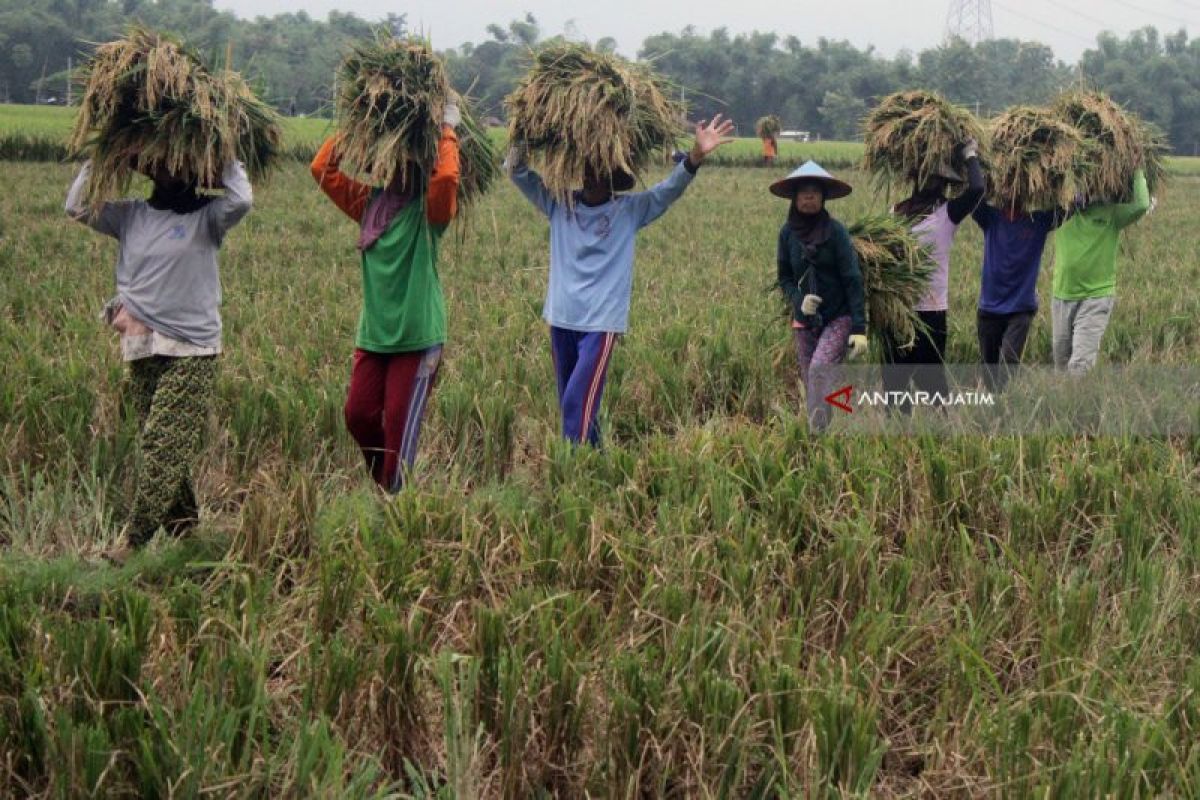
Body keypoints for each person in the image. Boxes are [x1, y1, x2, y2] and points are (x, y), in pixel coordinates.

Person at [66, 156, 253, 560]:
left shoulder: (208, 217)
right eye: (162, 167)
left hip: (193, 348)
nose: (171, 174)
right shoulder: (131, 215)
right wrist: (100, 158)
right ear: (150, 171)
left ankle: (133, 542)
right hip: (142, 344)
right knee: (162, 444)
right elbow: (76, 206)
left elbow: (241, 201)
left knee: (162, 441)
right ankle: (189, 538)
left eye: (180, 166)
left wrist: (222, 159)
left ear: (193, 172)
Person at [508, 115, 735, 446]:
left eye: (601, 170)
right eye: (588, 168)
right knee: (575, 405)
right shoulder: (559, 203)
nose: (593, 176)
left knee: (577, 402)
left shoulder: (628, 210)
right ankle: (595, 467)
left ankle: (571, 473)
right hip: (561, 317)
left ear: (614, 177)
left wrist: (696, 157)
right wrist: (522, 130)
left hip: (601, 323)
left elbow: (668, 190)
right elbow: (516, 171)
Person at [311, 99, 461, 491]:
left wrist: (447, 129)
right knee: (357, 414)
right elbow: (322, 168)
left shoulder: (429, 213)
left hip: (417, 337)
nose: (396, 169)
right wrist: (360, 124)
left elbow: (446, 180)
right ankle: (385, 482)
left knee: (398, 427)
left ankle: (395, 506)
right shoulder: (369, 204)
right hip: (375, 336)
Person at [885, 138, 984, 412]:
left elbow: (977, 188)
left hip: (931, 310)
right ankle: (897, 440)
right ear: (917, 178)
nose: (932, 183)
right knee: (894, 382)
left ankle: (940, 434)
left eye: (937, 178)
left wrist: (970, 156)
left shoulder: (947, 213)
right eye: (926, 176)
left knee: (932, 382)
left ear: (944, 183)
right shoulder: (895, 212)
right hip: (897, 310)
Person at [771, 161, 867, 431]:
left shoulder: (836, 232)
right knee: (812, 381)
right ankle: (822, 433)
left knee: (819, 371)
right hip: (804, 320)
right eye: (804, 191)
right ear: (794, 197)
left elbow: (852, 278)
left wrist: (859, 327)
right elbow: (785, 277)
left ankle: (819, 431)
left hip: (838, 316)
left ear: (824, 197)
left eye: (815, 191)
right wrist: (798, 298)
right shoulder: (787, 234)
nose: (809, 196)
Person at [1050, 169, 1149, 374]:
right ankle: (1063, 405)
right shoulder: (1062, 211)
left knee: (1080, 366)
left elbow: (1141, 205)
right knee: (1061, 363)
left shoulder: (1111, 213)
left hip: (1095, 298)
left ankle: (1076, 404)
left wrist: (1137, 169)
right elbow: (1042, 188)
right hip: (1062, 296)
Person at [971, 199, 1062, 389]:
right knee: (989, 370)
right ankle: (993, 409)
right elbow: (973, 194)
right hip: (989, 308)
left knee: (1009, 360)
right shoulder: (990, 218)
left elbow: (1069, 208)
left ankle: (1006, 406)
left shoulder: (1038, 222)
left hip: (1020, 308)